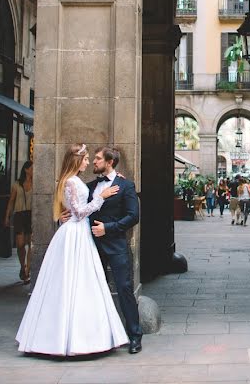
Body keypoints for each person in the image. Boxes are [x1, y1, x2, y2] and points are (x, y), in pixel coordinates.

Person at [15, 144, 128, 356]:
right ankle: (65, 339)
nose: (89, 162)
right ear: (77, 160)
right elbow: (78, 213)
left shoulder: (75, 181)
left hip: (80, 233)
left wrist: (114, 178)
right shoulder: (71, 182)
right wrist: (101, 197)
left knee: (83, 282)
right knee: (72, 281)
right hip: (75, 233)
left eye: (91, 159)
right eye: (86, 159)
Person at [79, 147, 143, 354]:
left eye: (98, 159)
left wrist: (108, 228)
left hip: (116, 246)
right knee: (94, 290)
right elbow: (79, 211)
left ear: (110, 162)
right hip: (92, 246)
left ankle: (135, 336)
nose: (94, 162)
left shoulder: (126, 186)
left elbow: (133, 216)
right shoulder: (89, 187)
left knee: (124, 288)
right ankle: (98, 336)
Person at [3, 160, 33, 283]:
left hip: (31, 214)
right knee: (20, 244)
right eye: (31, 168)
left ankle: (28, 270)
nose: (33, 170)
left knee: (31, 244)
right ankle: (22, 266)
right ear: (26, 170)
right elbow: (11, 201)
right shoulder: (17, 184)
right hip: (19, 215)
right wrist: (7, 217)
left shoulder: (36, 183)